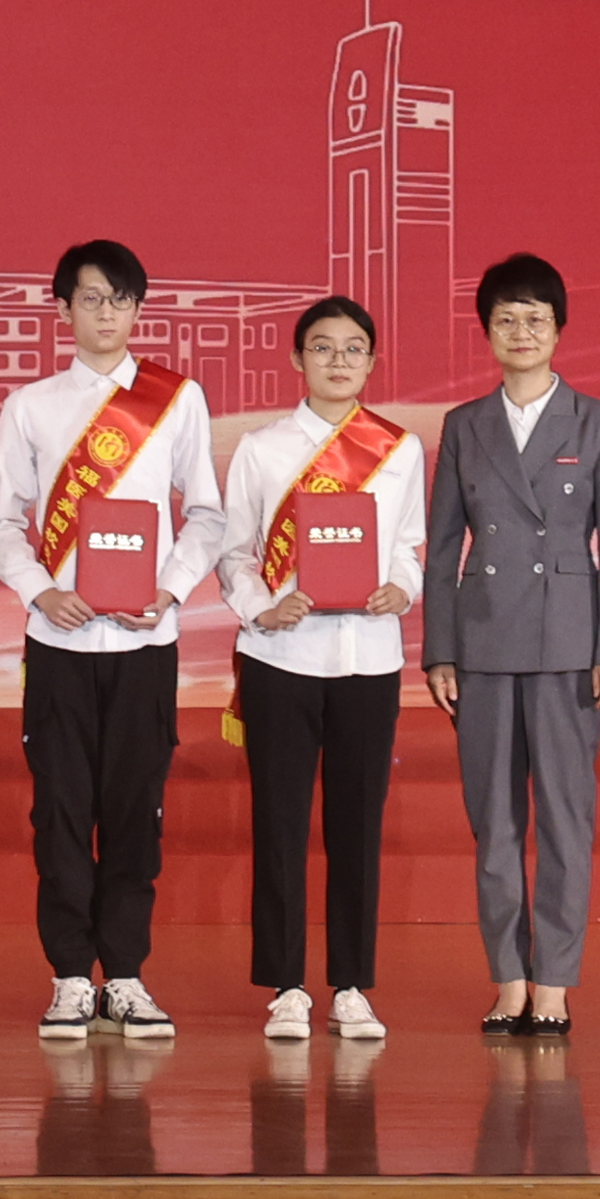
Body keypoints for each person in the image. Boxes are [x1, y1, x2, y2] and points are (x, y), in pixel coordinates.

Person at [0, 239, 224, 1042]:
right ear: (63, 309)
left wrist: (170, 589)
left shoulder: (176, 400)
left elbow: (208, 514)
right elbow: (2, 521)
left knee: (133, 810)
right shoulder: (31, 406)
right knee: (59, 811)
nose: (106, 314)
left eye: (120, 300)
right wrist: (40, 591)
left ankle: (123, 974)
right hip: (58, 642)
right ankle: (66, 976)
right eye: (90, 299)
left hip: (144, 642)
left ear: (138, 309)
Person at [424, 253, 600, 1039]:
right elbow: (441, 547)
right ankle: (508, 978)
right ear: (486, 331)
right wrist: (439, 651)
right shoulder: (462, 425)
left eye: (536, 319)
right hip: (481, 643)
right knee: (494, 822)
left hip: (570, 646)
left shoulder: (598, 422)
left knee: (565, 821)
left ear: (559, 329)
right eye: (506, 319)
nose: (521, 332)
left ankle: (554, 981)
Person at [216, 296, 427, 1044]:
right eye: (323, 347)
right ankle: (286, 986)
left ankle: (350, 986)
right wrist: (260, 607)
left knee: (357, 826)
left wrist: (403, 587)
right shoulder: (262, 449)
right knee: (279, 823)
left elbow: (408, 545)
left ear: (372, 361)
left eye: (353, 348)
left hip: (368, 658)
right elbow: (235, 553)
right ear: (297, 359)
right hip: (282, 657)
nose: (339, 360)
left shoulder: (398, 449)